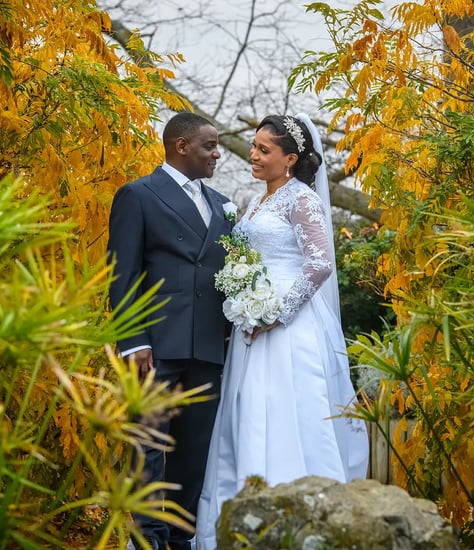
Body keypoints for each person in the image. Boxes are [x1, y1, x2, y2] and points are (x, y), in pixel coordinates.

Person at [195, 114, 370, 549]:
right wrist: (243, 297)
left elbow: (320, 264)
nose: (253, 155)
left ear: (290, 159)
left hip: (289, 327)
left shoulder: (302, 200)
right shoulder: (257, 202)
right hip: (250, 324)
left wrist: (278, 313)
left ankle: (302, 518)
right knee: (248, 410)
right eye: (254, 146)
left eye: (264, 149)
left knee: (287, 409)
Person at [107, 112, 235, 550]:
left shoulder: (222, 204)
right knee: (147, 444)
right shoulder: (138, 195)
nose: (217, 154)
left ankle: (181, 539)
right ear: (181, 146)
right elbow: (122, 275)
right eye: (209, 146)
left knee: (193, 450)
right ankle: (148, 538)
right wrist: (133, 342)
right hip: (156, 346)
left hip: (208, 347)